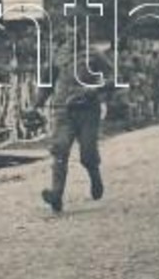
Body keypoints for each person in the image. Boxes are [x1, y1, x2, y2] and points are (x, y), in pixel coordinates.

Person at [26, 32, 110, 213]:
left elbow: (113, 78)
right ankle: (56, 194)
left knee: (87, 153)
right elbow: (48, 83)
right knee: (60, 149)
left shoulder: (95, 55)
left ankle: (95, 176)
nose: (75, 36)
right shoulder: (59, 55)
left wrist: (96, 88)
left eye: (79, 31)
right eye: (71, 31)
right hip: (63, 109)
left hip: (88, 111)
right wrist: (36, 105)